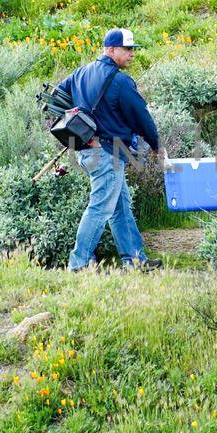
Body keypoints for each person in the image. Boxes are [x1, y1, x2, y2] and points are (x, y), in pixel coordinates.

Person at [58, 28, 163, 271]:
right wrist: (157, 146)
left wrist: (81, 132)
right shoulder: (121, 82)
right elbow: (142, 118)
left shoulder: (81, 73)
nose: (131, 54)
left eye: (133, 49)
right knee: (100, 209)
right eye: (127, 49)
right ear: (110, 49)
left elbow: (58, 96)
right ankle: (79, 264)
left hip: (88, 151)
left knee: (120, 207)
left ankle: (135, 260)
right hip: (107, 154)